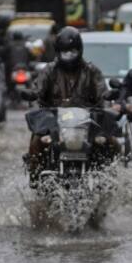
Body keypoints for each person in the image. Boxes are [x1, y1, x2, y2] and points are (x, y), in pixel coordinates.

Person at [27, 26, 108, 187]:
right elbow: (37, 92)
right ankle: (35, 177)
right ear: (58, 51)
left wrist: (108, 102)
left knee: (111, 142)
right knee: (37, 141)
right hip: (54, 123)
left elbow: (103, 94)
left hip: (87, 122)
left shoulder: (92, 71)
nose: (69, 56)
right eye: (65, 52)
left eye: (72, 51)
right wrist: (34, 99)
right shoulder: (49, 71)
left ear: (80, 50)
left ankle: (110, 177)